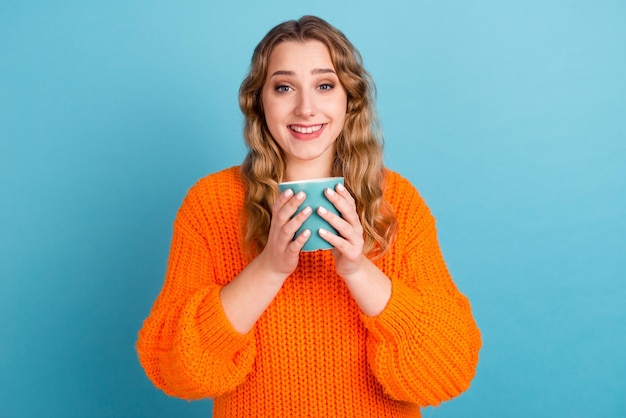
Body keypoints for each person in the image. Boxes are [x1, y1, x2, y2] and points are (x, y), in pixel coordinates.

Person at [137, 15, 481, 418]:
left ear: (349, 98)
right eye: (284, 87)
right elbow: (172, 368)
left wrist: (357, 270)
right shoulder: (211, 204)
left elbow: (450, 369)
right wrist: (269, 268)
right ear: (258, 101)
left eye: (324, 85)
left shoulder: (397, 202)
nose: (305, 108)